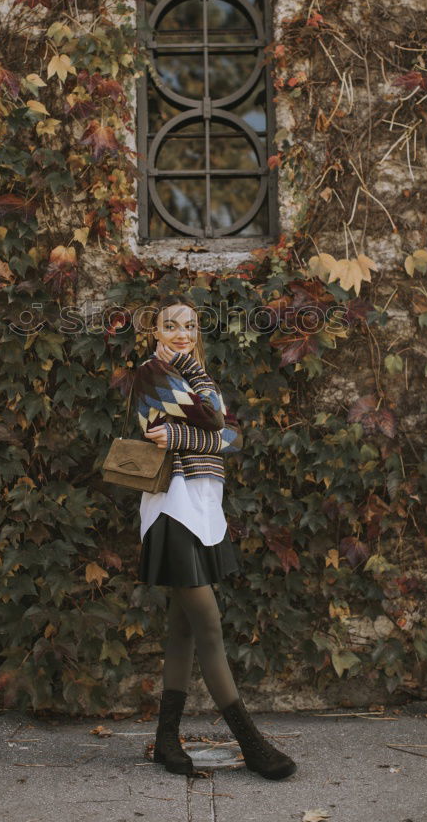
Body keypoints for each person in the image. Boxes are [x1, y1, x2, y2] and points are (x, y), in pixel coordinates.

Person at [130, 293, 297, 781]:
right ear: (155, 332)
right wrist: (204, 422)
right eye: (171, 327)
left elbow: (229, 435)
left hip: (204, 507)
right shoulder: (151, 374)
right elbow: (217, 423)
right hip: (172, 508)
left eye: (190, 328)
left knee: (182, 630)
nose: (181, 334)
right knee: (209, 623)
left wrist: (185, 433)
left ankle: (166, 742)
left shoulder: (192, 377)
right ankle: (252, 745)